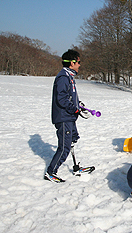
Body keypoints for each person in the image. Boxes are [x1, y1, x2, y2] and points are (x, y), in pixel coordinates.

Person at [45, 49, 84, 183]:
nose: (79, 65)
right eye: (78, 62)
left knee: (74, 138)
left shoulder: (69, 77)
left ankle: (75, 167)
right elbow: (61, 99)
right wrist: (75, 110)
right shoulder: (63, 77)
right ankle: (51, 172)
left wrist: (79, 105)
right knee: (64, 147)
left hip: (69, 117)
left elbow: (69, 96)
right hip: (64, 118)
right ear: (72, 63)